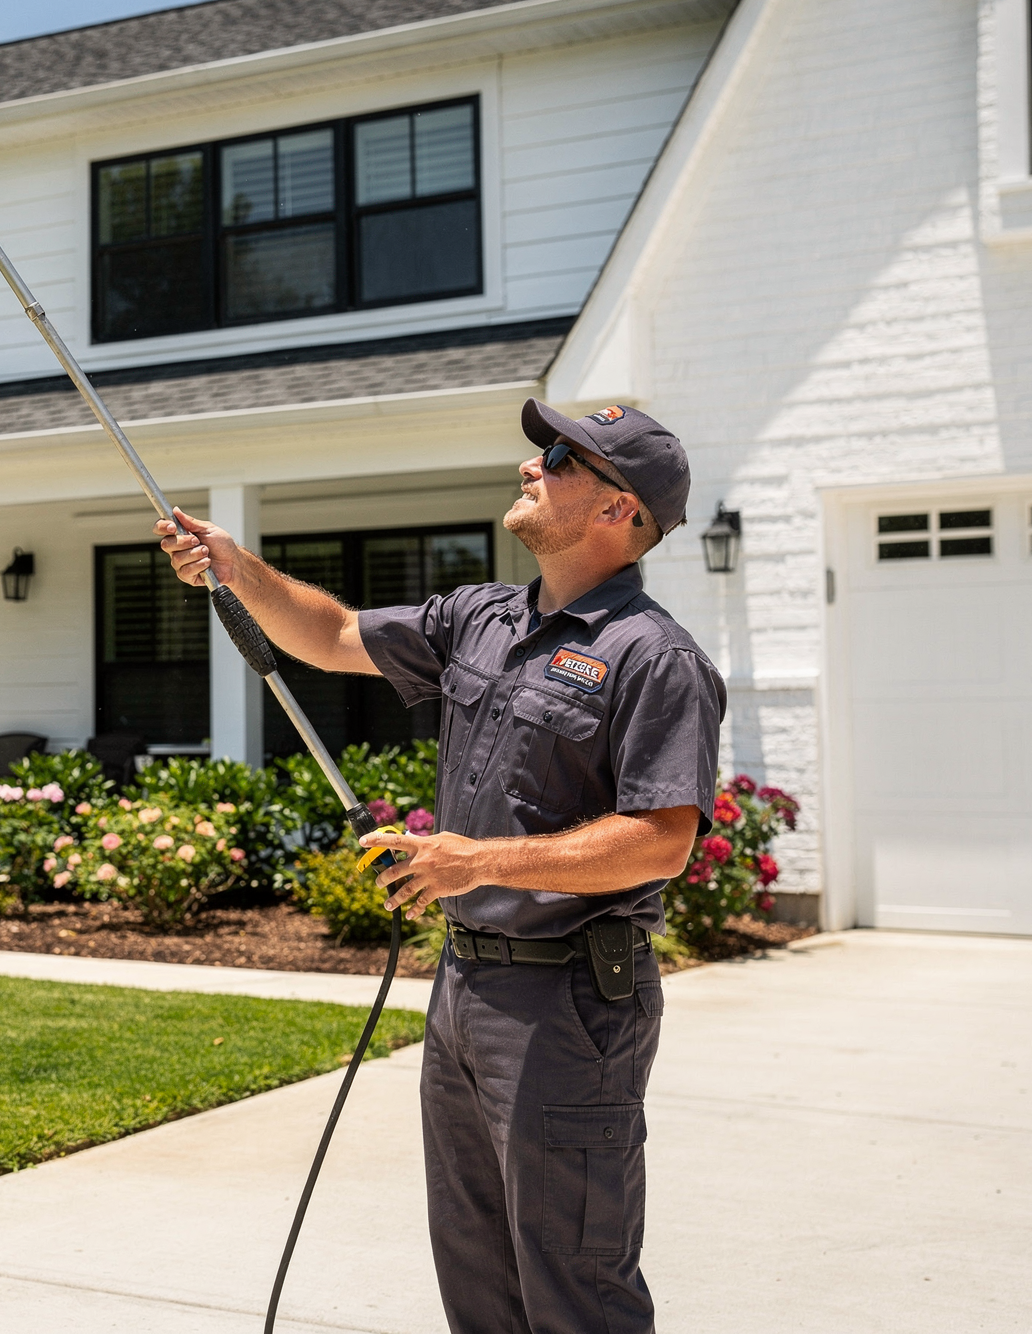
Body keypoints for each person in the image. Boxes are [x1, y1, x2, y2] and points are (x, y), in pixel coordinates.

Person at [158, 398, 724, 1334]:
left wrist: (480, 861)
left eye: (559, 457)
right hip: (464, 990)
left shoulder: (652, 657)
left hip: (572, 1005)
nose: (530, 466)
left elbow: (662, 838)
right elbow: (333, 637)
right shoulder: (480, 617)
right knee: (476, 1270)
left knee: (575, 1280)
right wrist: (231, 564)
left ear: (622, 510)